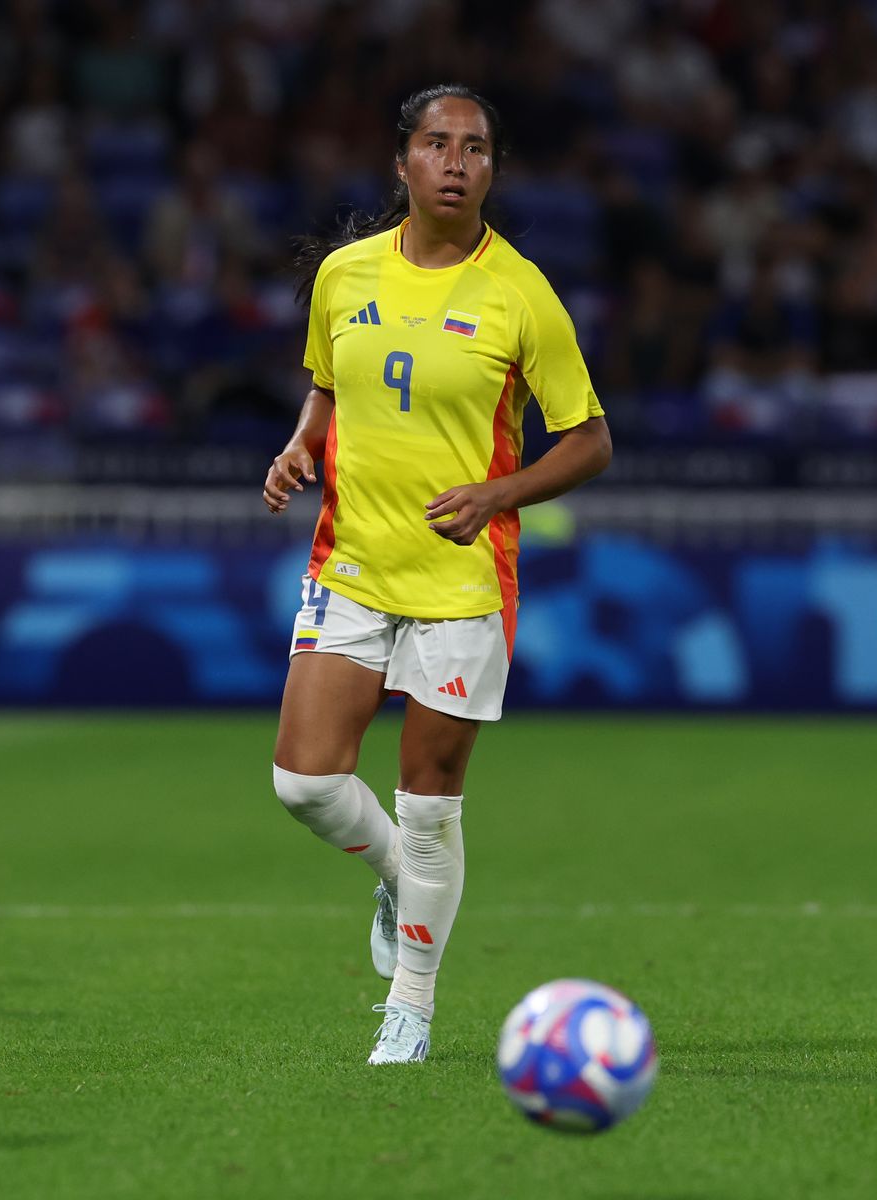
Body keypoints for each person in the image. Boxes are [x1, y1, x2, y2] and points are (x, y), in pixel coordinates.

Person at [262, 83, 612, 1065]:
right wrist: (300, 446)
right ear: (404, 164)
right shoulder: (345, 275)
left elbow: (589, 441)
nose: (458, 162)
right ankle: (392, 882)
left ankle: (408, 1009)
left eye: (477, 149)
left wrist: (500, 494)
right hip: (357, 563)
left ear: (492, 169)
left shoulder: (520, 292)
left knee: (428, 803)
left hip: (462, 582)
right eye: (438, 144)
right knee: (304, 784)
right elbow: (330, 386)